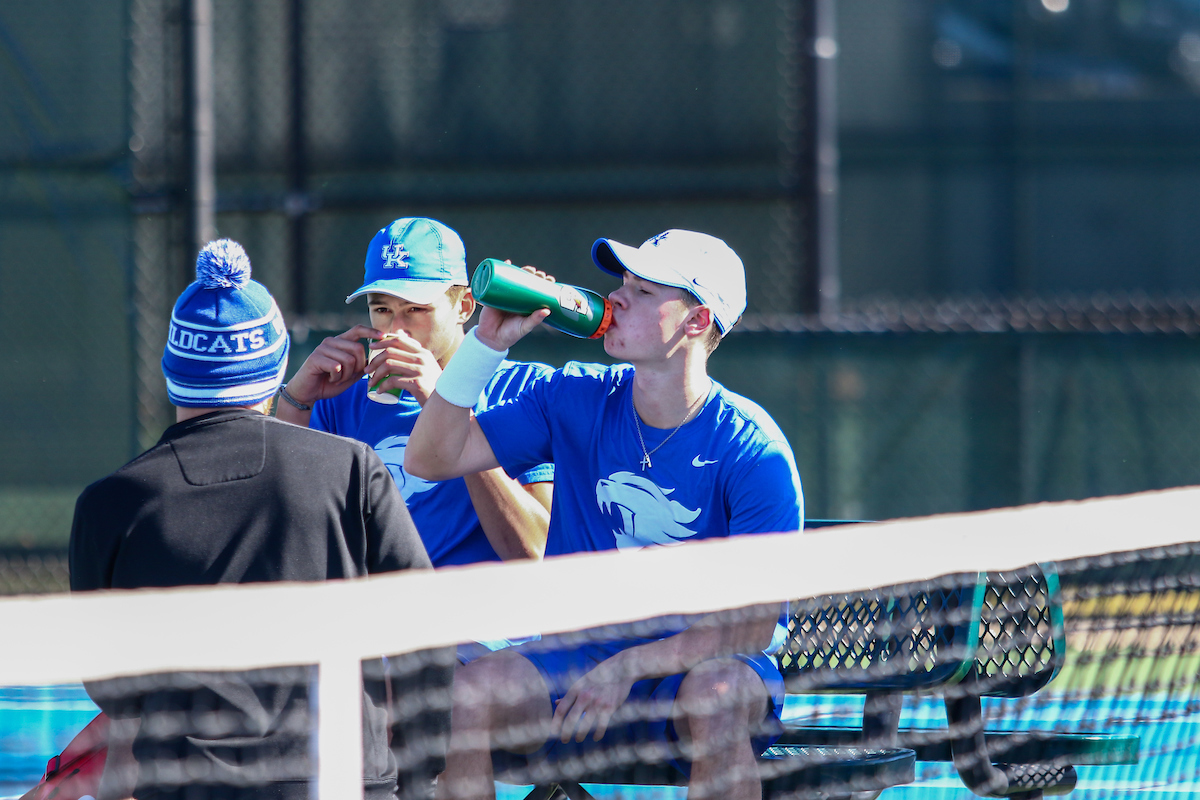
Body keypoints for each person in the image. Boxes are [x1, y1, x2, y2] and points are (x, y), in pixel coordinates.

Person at [405, 229, 805, 800]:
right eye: (621, 284)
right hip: (573, 669)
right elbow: (430, 457)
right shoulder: (574, 395)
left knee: (716, 695)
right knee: (469, 693)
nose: (615, 300)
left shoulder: (753, 448)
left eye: (643, 292)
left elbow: (755, 624)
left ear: (697, 322)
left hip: (700, 669)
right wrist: (486, 344)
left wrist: (629, 667)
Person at [68, 239, 452, 800]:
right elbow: (426, 629)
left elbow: (110, 685)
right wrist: (415, 772)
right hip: (345, 780)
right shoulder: (348, 468)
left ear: (173, 369)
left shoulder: (110, 503)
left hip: (188, 786)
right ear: (274, 365)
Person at [274, 217, 553, 570]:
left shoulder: (522, 391)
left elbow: (536, 551)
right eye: (382, 310)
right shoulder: (340, 398)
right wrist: (296, 400)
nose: (396, 328)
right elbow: (289, 525)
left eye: (416, 310)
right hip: (381, 620)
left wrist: (445, 403)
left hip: (484, 621)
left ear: (464, 307)